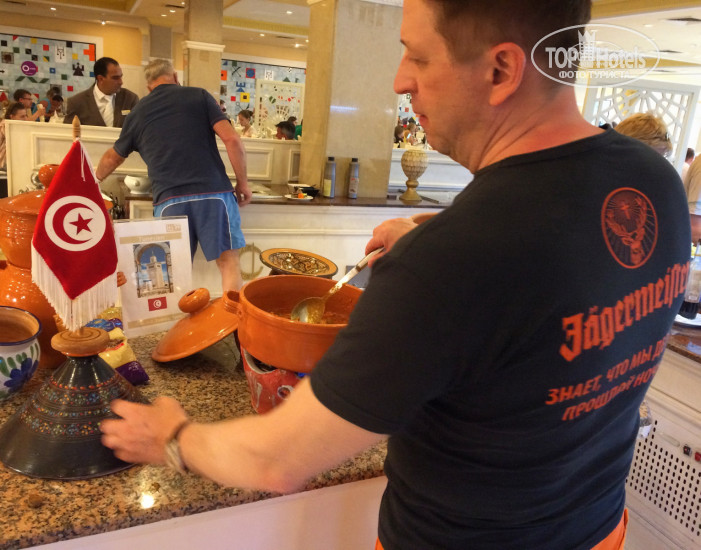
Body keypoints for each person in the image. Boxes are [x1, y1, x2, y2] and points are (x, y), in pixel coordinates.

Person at [100, 2, 690, 549]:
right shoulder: (653, 178)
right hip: (599, 529)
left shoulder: (451, 261)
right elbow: (556, 274)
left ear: (502, 70)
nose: (400, 81)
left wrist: (173, 437)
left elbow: (277, 459)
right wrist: (426, 238)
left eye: (418, 56)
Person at [95, 59, 251, 294]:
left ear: (149, 86)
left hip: (169, 200)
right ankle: (231, 314)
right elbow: (232, 140)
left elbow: (113, 158)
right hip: (214, 194)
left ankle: (178, 317)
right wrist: (243, 183)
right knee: (228, 263)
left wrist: (93, 181)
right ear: (175, 77)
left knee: (174, 272)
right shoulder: (199, 96)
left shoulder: (137, 112)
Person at [63, 57, 139, 127]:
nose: (121, 82)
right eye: (115, 78)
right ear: (100, 79)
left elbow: (138, 129)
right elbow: (68, 132)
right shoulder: (77, 103)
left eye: (121, 77)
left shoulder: (130, 99)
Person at [0, 101, 29, 170]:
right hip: (4, 165)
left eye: (26, 116)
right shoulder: (5, 125)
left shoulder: (19, 127)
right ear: (12, 117)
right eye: (22, 117)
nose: (25, 119)